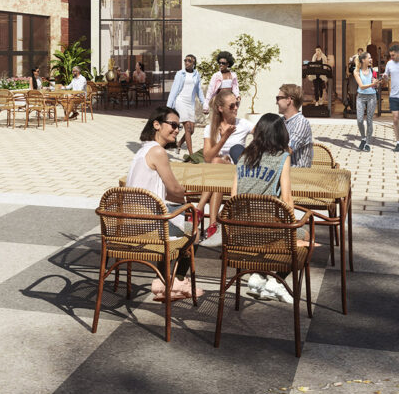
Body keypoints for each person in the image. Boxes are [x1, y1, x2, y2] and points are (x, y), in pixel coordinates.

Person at [126, 107, 200, 300]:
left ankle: (163, 280)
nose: (177, 130)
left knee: (175, 217)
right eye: (173, 125)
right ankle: (175, 283)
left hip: (130, 222)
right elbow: (175, 190)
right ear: (157, 125)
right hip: (148, 226)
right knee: (194, 231)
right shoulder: (158, 151)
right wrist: (187, 200)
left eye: (178, 126)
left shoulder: (143, 150)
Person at [233, 113, 298, 303]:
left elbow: (234, 194)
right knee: (304, 237)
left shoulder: (244, 155)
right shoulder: (282, 157)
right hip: (267, 230)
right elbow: (286, 198)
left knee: (261, 232)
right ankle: (276, 283)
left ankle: (258, 276)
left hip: (239, 229)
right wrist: (295, 222)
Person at [199, 87, 253, 248]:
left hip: (236, 172)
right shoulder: (211, 128)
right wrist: (224, 138)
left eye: (236, 104)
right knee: (215, 165)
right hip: (217, 173)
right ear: (220, 108)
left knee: (216, 165)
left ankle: (200, 210)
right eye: (231, 106)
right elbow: (207, 157)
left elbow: (264, 136)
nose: (236, 108)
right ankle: (213, 223)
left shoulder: (243, 124)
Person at [166, 55, 204, 156]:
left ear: (194, 63)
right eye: (185, 60)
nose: (186, 62)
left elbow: (199, 90)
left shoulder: (196, 75)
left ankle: (178, 144)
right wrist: (168, 106)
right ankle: (191, 155)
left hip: (190, 103)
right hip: (180, 101)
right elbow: (174, 90)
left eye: (189, 61)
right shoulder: (180, 74)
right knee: (187, 127)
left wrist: (204, 103)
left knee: (191, 130)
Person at [276, 82, 313, 168]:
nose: (276, 102)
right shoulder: (281, 121)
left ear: (288, 100)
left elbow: (287, 150)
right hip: (281, 170)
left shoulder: (301, 123)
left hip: (297, 175)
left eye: (278, 98)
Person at [353, 50, 379, 151]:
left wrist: (376, 83)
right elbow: (362, 86)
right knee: (359, 120)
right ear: (363, 60)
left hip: (372, 97)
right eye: (369, 58)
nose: (371, 60)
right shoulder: (356, 71)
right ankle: (363, 138)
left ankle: (367, 143)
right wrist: (372, 84)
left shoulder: (373, 71)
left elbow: (375, 85)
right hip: (361, 97)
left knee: (369, 120)